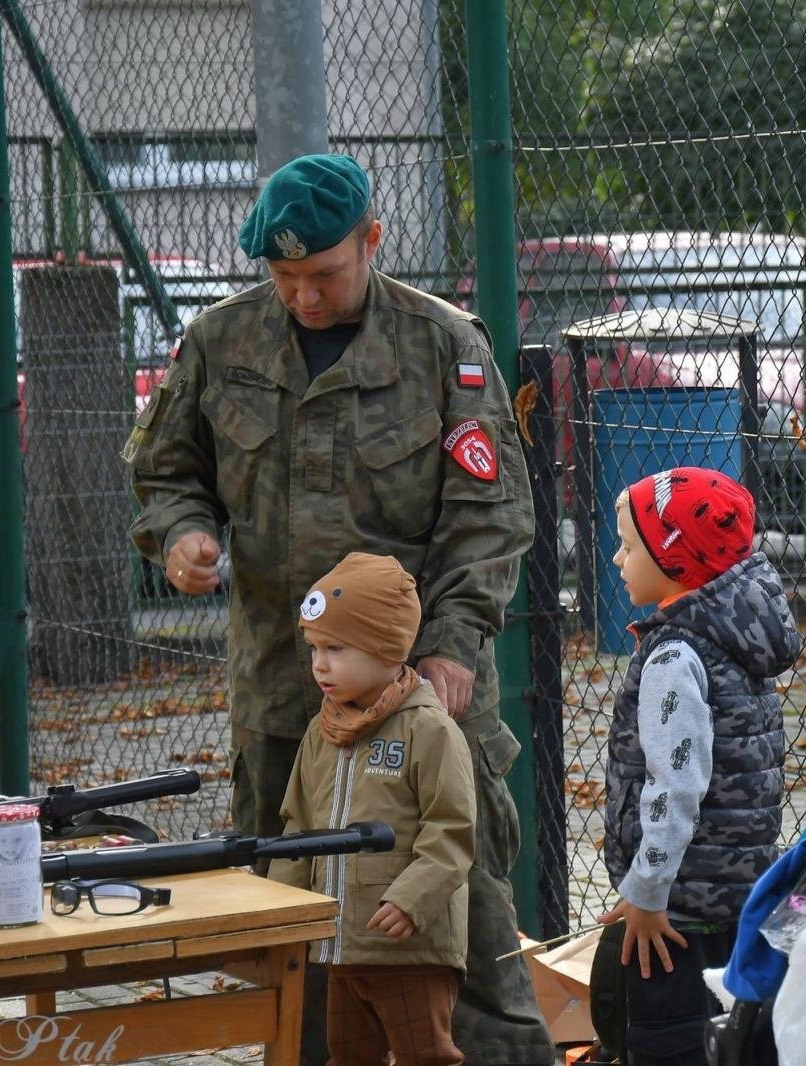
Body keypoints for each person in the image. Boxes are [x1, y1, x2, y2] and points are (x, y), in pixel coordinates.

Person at [124, 153, 552, 1066]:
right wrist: (182, 535)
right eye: (284, 279)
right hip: (285, 699)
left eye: (323, 274)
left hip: (417, 700)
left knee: (463, 931)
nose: (304, 298)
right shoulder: (221, 343)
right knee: (294, 954)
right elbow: (165, 471)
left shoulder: (442, 346)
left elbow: (490, 516)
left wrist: (451, 646)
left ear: (373, 241)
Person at [598, 468, 801, 1066]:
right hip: (732, 891)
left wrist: (648, 890)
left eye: (629, 546)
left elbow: (675, 785)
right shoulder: (735, 634)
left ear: (676, 559)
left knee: (671, 1044)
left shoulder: (676, 653)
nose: (616, 559)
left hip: (675, 912)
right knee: (729, 1039)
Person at [270, 552, 475, 1066]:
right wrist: (284, 915)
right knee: (349, 1057)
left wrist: (412, 898)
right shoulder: (322, 734)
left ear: (386, 647)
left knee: (425, 1055)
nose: (319, 663)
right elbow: (298, 828)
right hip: (342, 945)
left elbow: (451, 829)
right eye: (315, 647)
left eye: (336, 648)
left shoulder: (428, 730)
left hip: (408, 946)